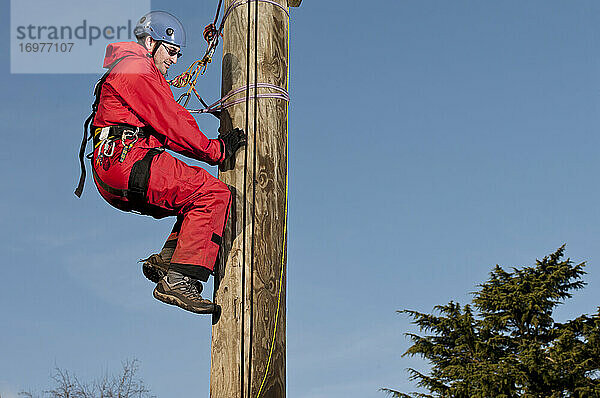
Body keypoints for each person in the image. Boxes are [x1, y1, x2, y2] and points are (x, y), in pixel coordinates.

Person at [77, 11, 246, 314]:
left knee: (193, 196)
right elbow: (173, 123)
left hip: (116, 169)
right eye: (170, 51)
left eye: (178, 54)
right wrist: (216, 150)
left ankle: (170, 260)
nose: (174, 60)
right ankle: (181, 278)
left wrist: (209, 148)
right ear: (151, 42)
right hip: (125, 161)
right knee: (213, 194)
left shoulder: (136, 73)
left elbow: (170, 126)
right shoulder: (137, 67)